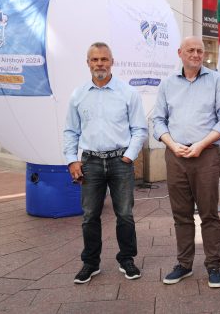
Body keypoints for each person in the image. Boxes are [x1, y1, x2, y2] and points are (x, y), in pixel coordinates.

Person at [152, 36, 220, 289]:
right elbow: (157, 121)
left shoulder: (216, 81)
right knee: (181, 214)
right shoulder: (167, 84)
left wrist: (200, 144)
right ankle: (184, 264)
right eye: (191, 50)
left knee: (209, 214)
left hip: (206, 155)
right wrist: (171, 144)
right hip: (175, 155)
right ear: (180, 53)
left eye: (200, 50)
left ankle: (213, 266)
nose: (196, 54)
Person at [63, 42, 148, 284]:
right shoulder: (78, 95)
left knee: (125, 215)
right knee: (90, 215)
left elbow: (139, 129)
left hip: (121, 161)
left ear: (112, 61)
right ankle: (90, 263)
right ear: (87, 63)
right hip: (90, 162)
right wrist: (71, 160)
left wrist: (129, 156)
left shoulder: (127, 93)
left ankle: (127, 259)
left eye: (104, 59)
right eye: (95, 60)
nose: (100, 64)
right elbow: (70, 131)